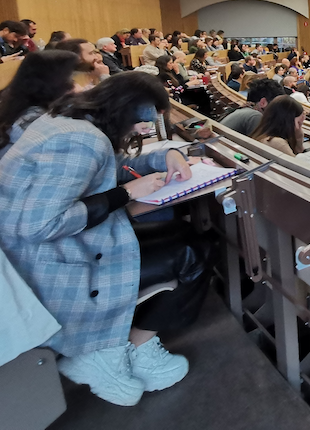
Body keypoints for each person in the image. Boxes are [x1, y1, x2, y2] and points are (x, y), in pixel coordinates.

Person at [0, 73, 201, 406]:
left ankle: (124, 346)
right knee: (192, 252)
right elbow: (38, 225)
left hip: (55, 253)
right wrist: (125, 194)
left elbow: (106, 166)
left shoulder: (68, 121)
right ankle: (113, 351)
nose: (142, 131)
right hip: (54, 271)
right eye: (142, 124)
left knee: (183, 235)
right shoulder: (81, 139)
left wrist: (164, 157)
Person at [0, 50, 80, 160]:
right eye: (71, 78)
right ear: (56, 81)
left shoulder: (16, 102)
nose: (76, 85)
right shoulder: (33, 119)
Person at [220, 78, 285, 137]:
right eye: (275, 105)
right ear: (263, 103)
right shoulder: (255, 116)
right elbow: (261, 144)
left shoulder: (246, 110)